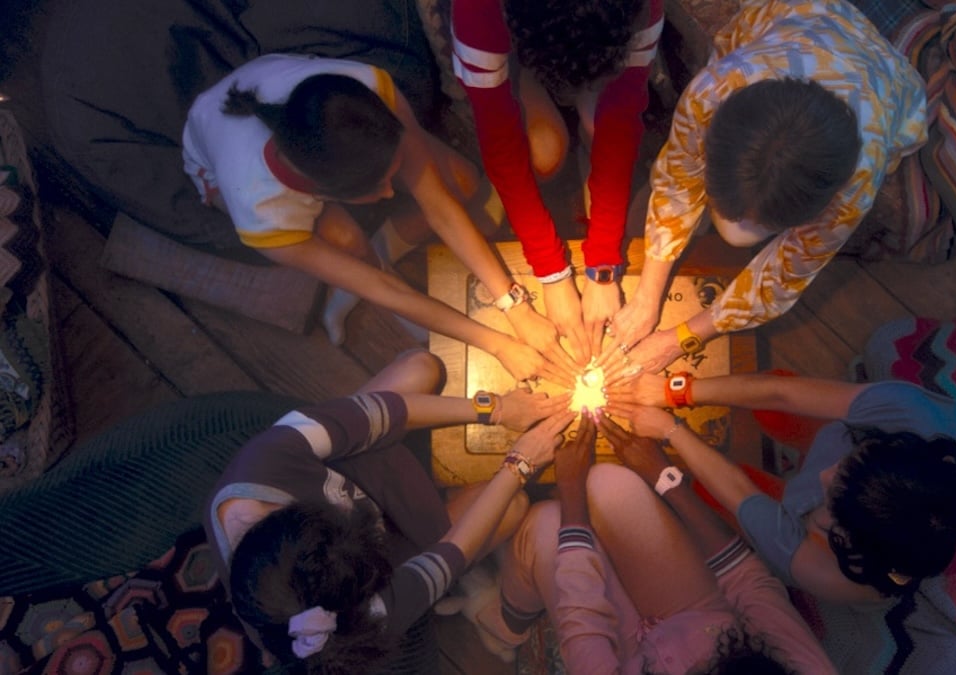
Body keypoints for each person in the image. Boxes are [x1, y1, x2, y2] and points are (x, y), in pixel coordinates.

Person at [182, 53, 575, 384]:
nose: (391, 193)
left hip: (300, 114)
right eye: (380, 188)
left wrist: (515, 305)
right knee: (346, 242)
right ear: (325, 194)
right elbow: (387, 292)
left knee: (462, 182)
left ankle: (382, 244)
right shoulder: (262, 213)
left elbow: (439, 205)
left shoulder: (366, 90)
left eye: (393, 176)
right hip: (215, 170)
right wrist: (499, 343)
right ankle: (358, 271)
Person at [602, 0, 927, 375]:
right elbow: (677, 181)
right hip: (808, 17)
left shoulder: (856, 182)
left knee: (735, 236)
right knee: (726, 225)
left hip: (882, 76)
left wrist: (680, 339)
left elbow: (780, 279)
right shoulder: (715, 88)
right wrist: (646, 295)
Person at [204, 347, 575, 672]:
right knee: (514, 504)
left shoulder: (268, 457)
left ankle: (357, 431)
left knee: (421, 367)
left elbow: (387, 410)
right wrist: (520, 463)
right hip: (402, 541)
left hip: (353, 461)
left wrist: (498, 409)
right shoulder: (343, 621)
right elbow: (445, 560)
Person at [461, 411, 836, 674]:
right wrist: (665, 478)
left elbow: (584, 628)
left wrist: (570, 492)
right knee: (610, 484)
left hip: (625, 658)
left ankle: (509, 622)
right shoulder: (806, 669)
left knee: (547, 526)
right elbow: (747, 580)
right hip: (703, 615)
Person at [606, 371, 956, 603]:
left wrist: (671, 431)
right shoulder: (911, 414)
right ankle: (799, 451)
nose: (824, 476)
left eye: (834, 500)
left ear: (844, 537)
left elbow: (740, 492)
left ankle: (778, 480)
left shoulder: (831, 571)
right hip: (829, 450)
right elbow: (781, 392)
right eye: (851, 461)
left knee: (712, 494)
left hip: (796, 521)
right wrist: (677, 390)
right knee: (776, 400)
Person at [452, 0, 665, 361]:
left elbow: (620, 119)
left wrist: (602, 263)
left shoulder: (642, 7)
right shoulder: (478, 11)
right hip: (510, 42)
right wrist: (551, 272)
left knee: (600, 127)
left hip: (570, 39)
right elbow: (500, 138)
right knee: (546, 152)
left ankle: (585, 118)